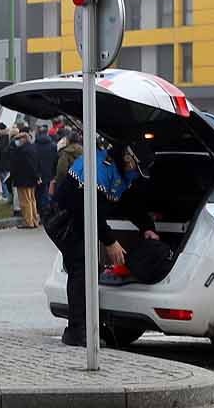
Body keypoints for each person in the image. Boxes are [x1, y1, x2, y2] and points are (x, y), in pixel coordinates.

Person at [55, 144, 155, 347]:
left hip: (81, 217)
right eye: (137, 169)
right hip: (65, 218)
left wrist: (146, 227)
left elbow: (128, 202)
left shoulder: (121, 171)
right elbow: (89, 209)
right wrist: (110, 241)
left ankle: (89, 324)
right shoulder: (99, 169)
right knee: (81, 268)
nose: (136, 175)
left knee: (89, 268)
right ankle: (76, 331)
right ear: (129, 159)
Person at [8, 131, 41, 228]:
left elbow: (18, 165)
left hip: (23, 179)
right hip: (32, 179)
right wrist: (37, 176)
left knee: (25, 201)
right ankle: (34, 220)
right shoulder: (33, 148)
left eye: (19, 139)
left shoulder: (22, 151)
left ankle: (28, 222)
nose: (17, 142)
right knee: (32, 200)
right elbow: (36, 164)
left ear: (24, 139)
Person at [31, 129, 58, 216]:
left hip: (40, 173)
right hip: (50, 172)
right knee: (48, 192)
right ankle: (48, 209)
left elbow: (34, 161)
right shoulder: (53, 146)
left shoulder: (34, 146)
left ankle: (41, 210)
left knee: (39, 193)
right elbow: (56, 160)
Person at [52, 131, 83, 197]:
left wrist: (58, 181)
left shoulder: (65, 153)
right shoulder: (84, 151)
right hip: (82, 183)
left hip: (68, 183)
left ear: (68, 140)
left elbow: (61, 171)